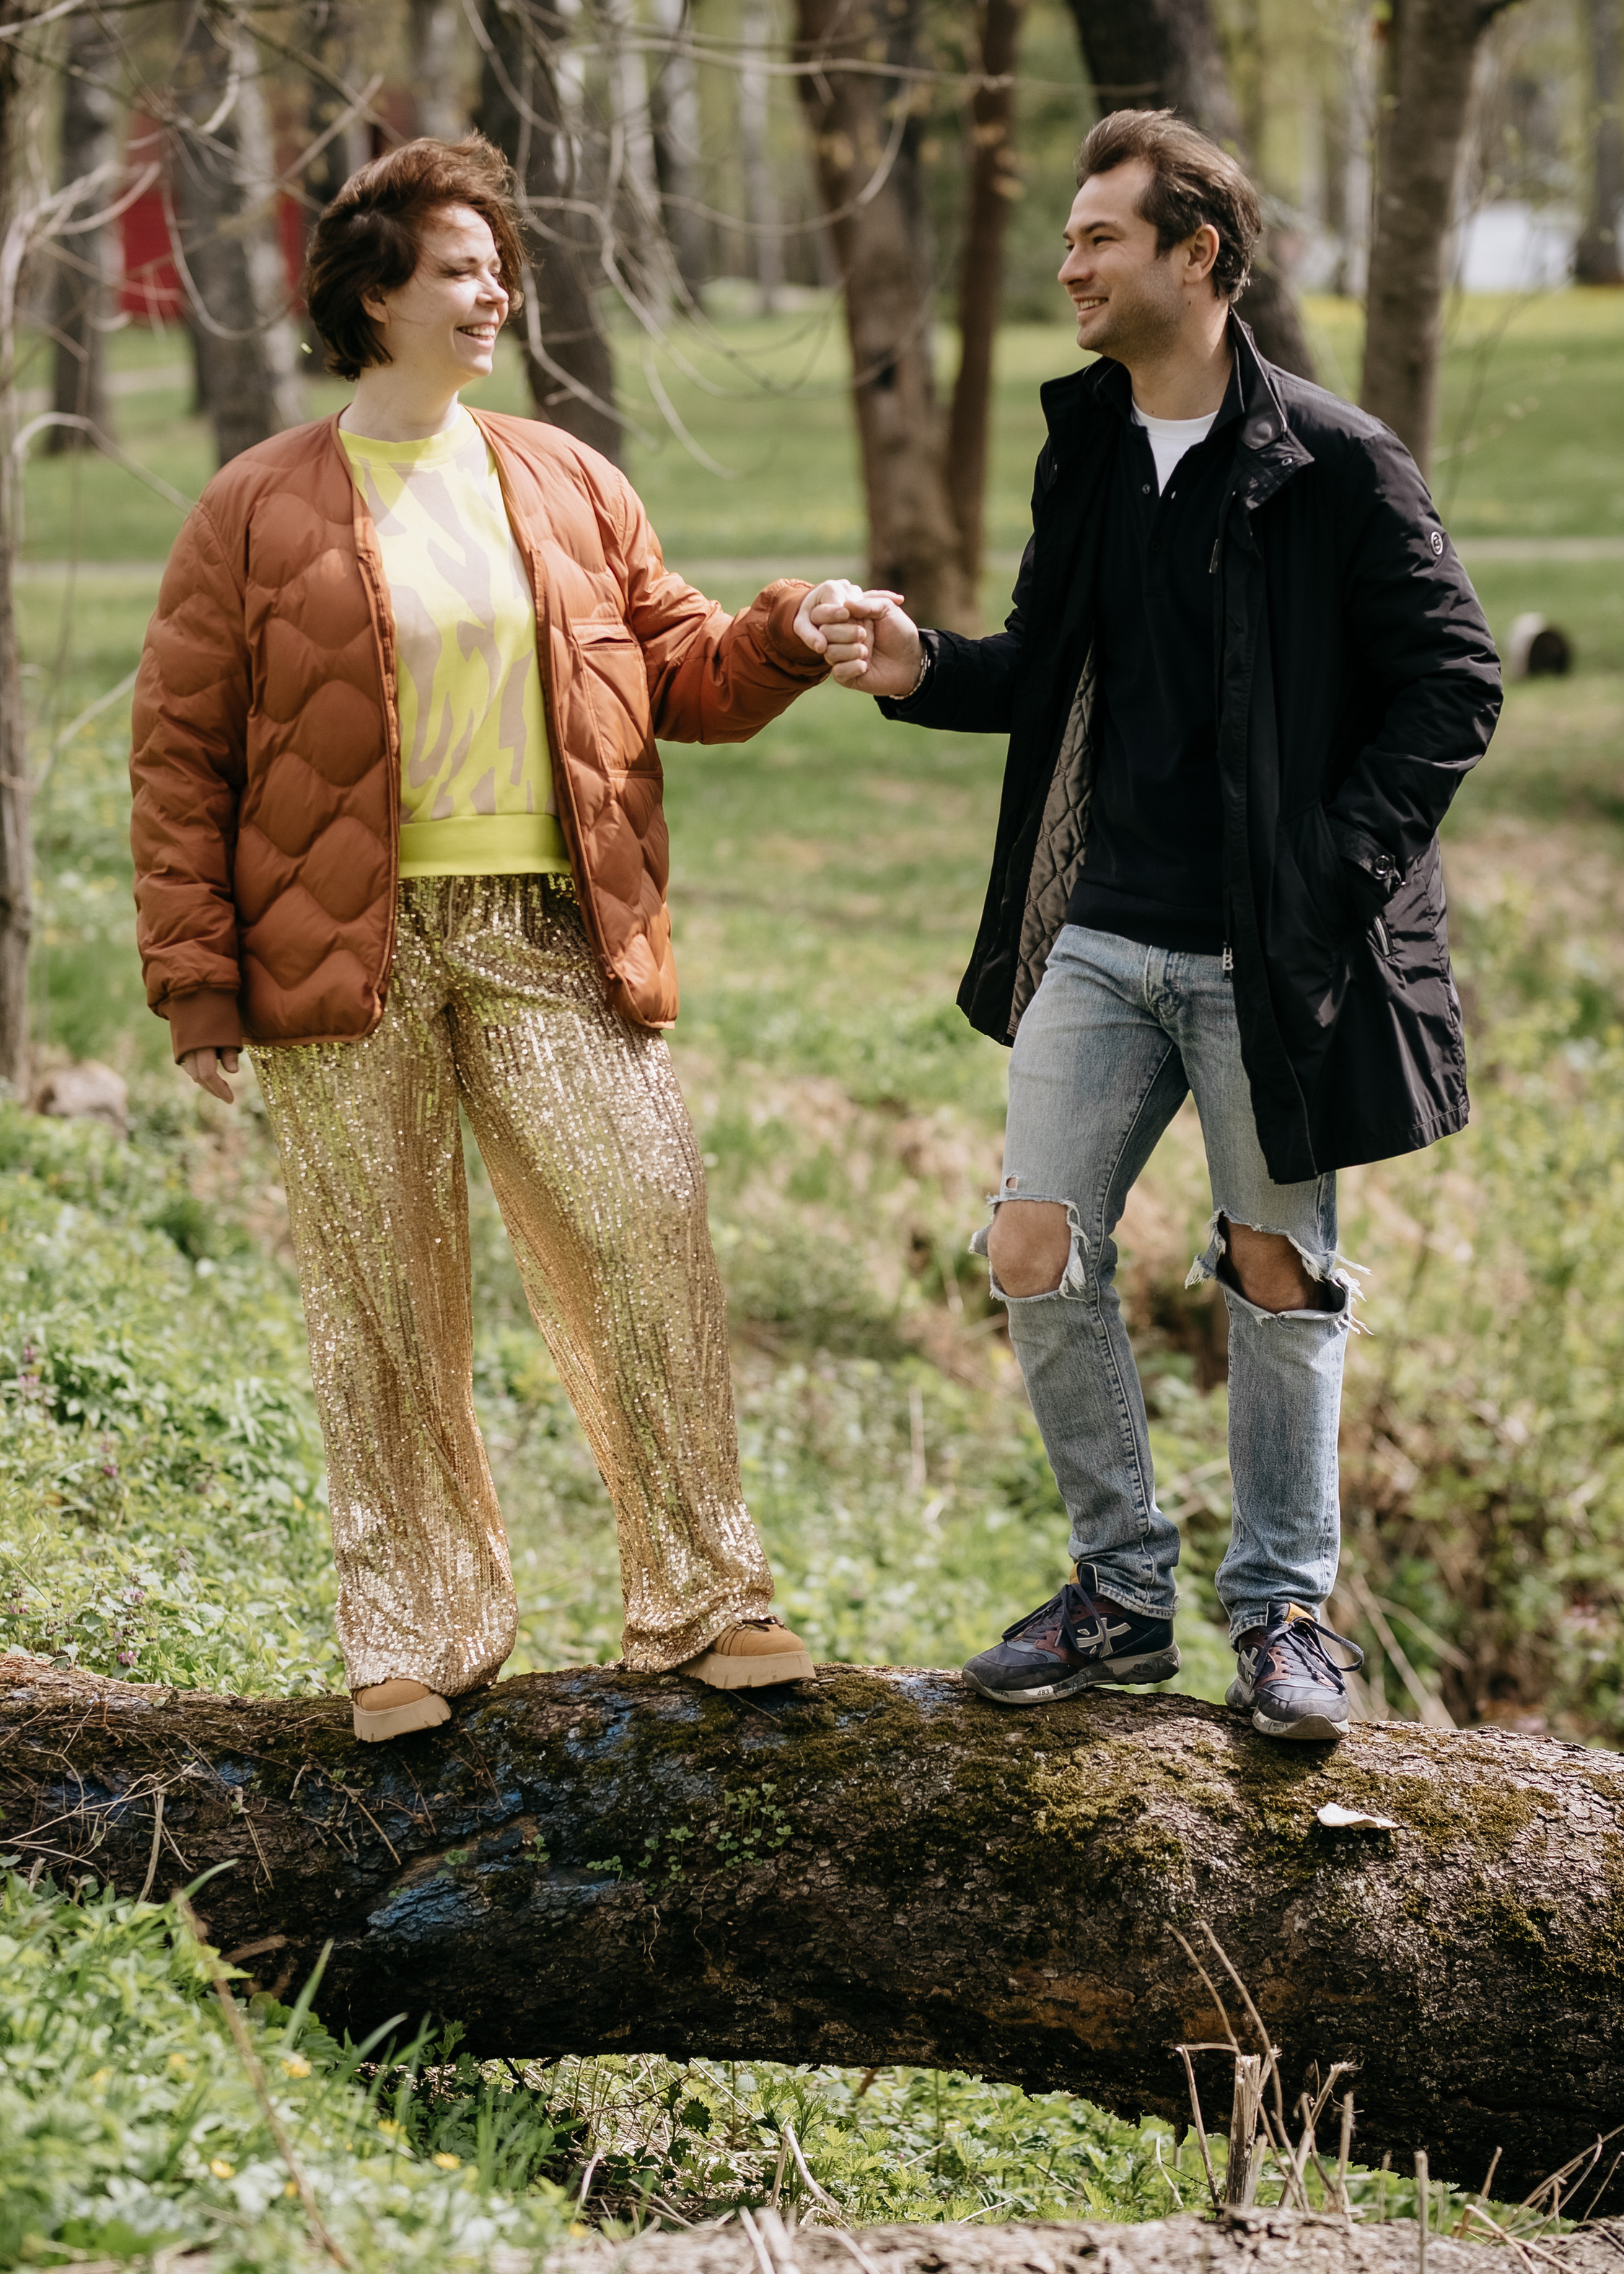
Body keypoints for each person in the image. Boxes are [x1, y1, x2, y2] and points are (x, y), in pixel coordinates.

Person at [131, 134, 861, 1743]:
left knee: (643, 1228)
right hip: (341, 954)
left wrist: (786, 630)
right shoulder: (253, 508)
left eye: (496, 269)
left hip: (547, 926)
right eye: (461, 271)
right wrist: (196, 986)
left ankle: (704, 1602)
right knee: (383, 1294)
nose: (493, 296)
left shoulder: (565, 477)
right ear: (375, 294)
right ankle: (414, 1636)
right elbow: (181, 758)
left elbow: (674, 667)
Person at [817, 109, 1501, 1740]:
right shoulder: (1091, 452)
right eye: (1062, 240)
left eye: (1097, 239)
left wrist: (1330, 877)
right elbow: (1036, 669)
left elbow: (1451, 681)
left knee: (1275, 1270)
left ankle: (1280, 1618)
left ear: (1197, 255)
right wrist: (913, 662)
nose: (1068, 264)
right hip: (1104, 935)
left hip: (1276, 959)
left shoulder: (1332, 463)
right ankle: (1120, 1594)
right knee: (1030, 1242)